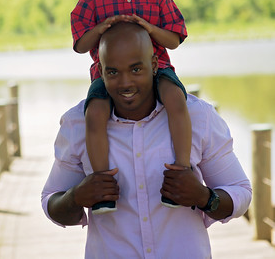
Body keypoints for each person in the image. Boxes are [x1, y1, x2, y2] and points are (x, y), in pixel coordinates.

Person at [41, 22, 252, 259]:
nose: (125, 83)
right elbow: (51, 201)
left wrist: (204, 197)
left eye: (136, 69)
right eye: (113, 72)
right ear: (100, 71)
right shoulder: (78, 124)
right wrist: (76, 197)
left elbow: (240, 192)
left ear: (153, 65)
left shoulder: (198, 116)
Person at [70, 0, 190, 212]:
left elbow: (174, 39)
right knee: (95, 112)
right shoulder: (92, 2)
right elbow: (80, 45)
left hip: (157, 67)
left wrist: (150, 28)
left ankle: (182, 172)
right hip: (107, 74)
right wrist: (101, 29)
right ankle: (102, 188)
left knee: (175, 98)